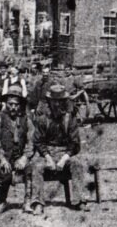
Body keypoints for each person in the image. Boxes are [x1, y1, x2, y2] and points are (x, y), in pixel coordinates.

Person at [28, 84, 87, 213]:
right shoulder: (43, 120)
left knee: (77, 164)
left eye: (61, 102)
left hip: (65, 153)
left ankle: (80, 200)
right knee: (36, 166)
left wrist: (64, 158)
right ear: (49, 102)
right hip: (47, 153)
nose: (57, 105)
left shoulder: (69, 119)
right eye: (54, 102)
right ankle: (38, 202)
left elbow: (75, 143)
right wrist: (48, 157)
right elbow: (38, 141)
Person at [0, 88, 35, 214]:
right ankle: (1, 201)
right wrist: (2, 159)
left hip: (19, 157)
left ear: (20, 105)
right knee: (4, 172)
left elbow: (31, 140)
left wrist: (25, 157)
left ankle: (27, 201)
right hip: (1, 158)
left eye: (16, 104)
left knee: (30, 168)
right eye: (10, 104)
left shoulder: (27, 119)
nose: (13, 107)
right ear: (6, 104)